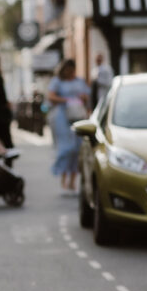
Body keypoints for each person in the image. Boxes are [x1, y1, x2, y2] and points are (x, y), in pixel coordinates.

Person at [46, 58, 90, 193]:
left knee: (77, 149)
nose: (71, 73)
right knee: (66, 148)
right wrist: (66, 100)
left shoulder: (79, 81)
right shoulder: (57, 82)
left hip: (77, 115)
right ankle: (63, 178)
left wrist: (81, 99)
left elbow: (86, 97)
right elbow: (51, 97)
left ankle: (72, 181)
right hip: (62, 117)